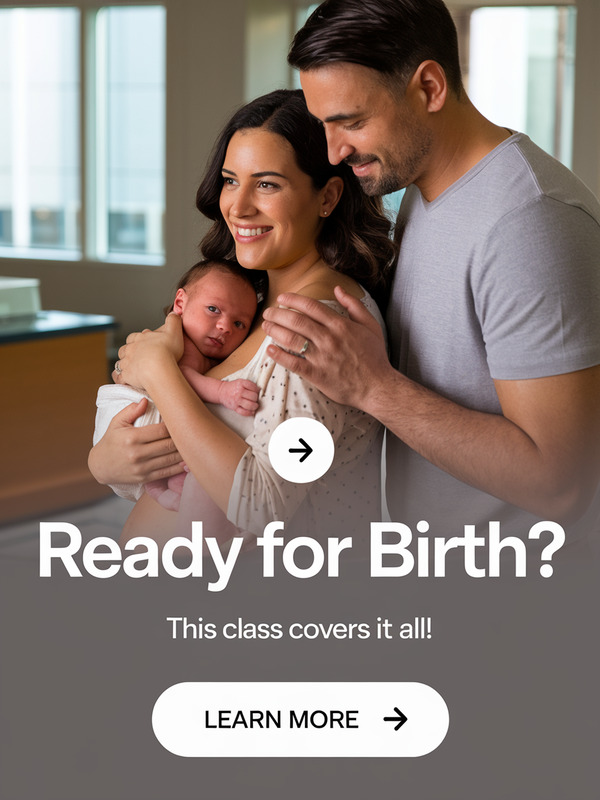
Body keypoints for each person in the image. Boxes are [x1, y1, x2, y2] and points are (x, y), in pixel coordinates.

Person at [260, 0, 600, 548]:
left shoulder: (530, 222)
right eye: (325, 123)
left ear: (430, 87)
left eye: (352, 121)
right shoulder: (421, 190)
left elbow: (560, 483)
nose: (334, 150)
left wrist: (373, 386)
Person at [88, 89, 396, 547]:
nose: (238, 205)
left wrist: (159, 372)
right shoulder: (246, 310)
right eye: (231, 180)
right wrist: (107, 463)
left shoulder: (315, 329)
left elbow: (264, 504)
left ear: (328, 196)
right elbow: (189, 452)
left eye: (267, 184)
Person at [92, 259, 261, 510]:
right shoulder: (181, 341)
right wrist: (223, 391)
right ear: (180, 303)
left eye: (239, 324)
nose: (225, 327)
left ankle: (161, 492)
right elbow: (177, 378)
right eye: (213, 309)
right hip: (130, 414)